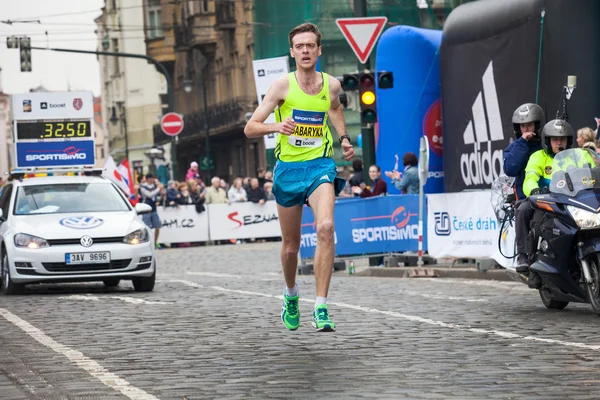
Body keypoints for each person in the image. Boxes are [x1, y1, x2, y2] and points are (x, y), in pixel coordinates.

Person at [244, 22, 354, 332]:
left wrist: (343, 138)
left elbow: (333, 109)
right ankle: (291, 294)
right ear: (292, 52)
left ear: (319, 50)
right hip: (288, 170)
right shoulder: (282, 87)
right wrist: (275, 127)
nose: (305, 50)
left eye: (310, 45)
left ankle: (320, 306)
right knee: (291, 247)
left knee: (326, 227)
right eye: (299, 46)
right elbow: (250, 127)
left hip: (320, 165)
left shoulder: (332, 85)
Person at [521, 119, 579, 287]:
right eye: (555, 139)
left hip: (573, 201)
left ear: (569, 141)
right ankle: (532, 265)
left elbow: (593, 171)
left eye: (562, 139)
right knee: (536, 222)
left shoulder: (576, 157)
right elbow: (530, 178)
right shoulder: (538, 157)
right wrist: (534, 190)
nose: (559, 142)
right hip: (549, 202)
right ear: (547, 141)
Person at [503, 103, 545, 271]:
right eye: (523, 125)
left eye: (529, 124)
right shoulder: (514, 147)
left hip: (553, 196)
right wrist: (523, 143)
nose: (526, 128)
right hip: (527, 198)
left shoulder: (545, 145)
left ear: (537, 125)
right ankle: (522, 255)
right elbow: (510, 169)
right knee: (522, 211)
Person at [140, 174, 162, 249]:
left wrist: (159, 186)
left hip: (154, 209)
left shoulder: (155, 186)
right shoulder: (143, 187)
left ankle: (155, 243)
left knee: (157, 226)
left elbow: (160, 194)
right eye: (152, 178)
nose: (153, 180)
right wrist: (158, 188)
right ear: (148, 179)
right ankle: (147, 244)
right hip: (146, 210)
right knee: (146, 228)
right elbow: (150, 195)